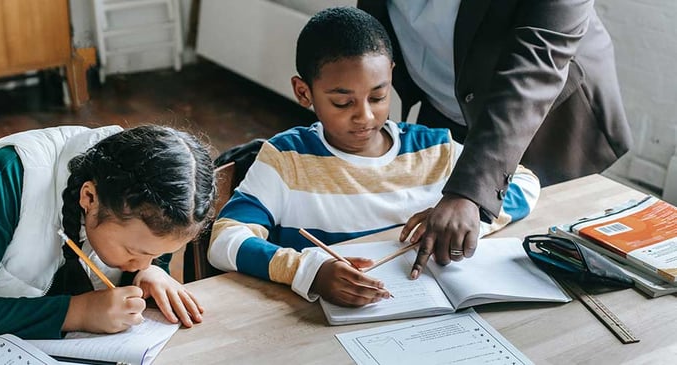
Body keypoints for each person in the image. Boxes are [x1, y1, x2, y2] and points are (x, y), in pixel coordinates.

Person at [208, 7, 540, 307]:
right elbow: (226, 238)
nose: (365, 116)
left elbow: (525, 182)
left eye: (378, 96)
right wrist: (308, 270)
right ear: (303, 92)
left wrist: (467, 219)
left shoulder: (433, 147)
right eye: (342, 102)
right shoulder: (287, 159)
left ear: (392, 75)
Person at [357, 0, 633, 278]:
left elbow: (536, 68)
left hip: (547, 124)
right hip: (443, 104)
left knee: (540, 267)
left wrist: (468, 192)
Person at [0, 124, 216, 343]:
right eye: (136, 253)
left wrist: (150, 273)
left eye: (160, 254)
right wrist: (76, 313)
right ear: (89, 197)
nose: (145, 261)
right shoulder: (10, 173)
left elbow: (146, 257)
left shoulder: (151, 202)